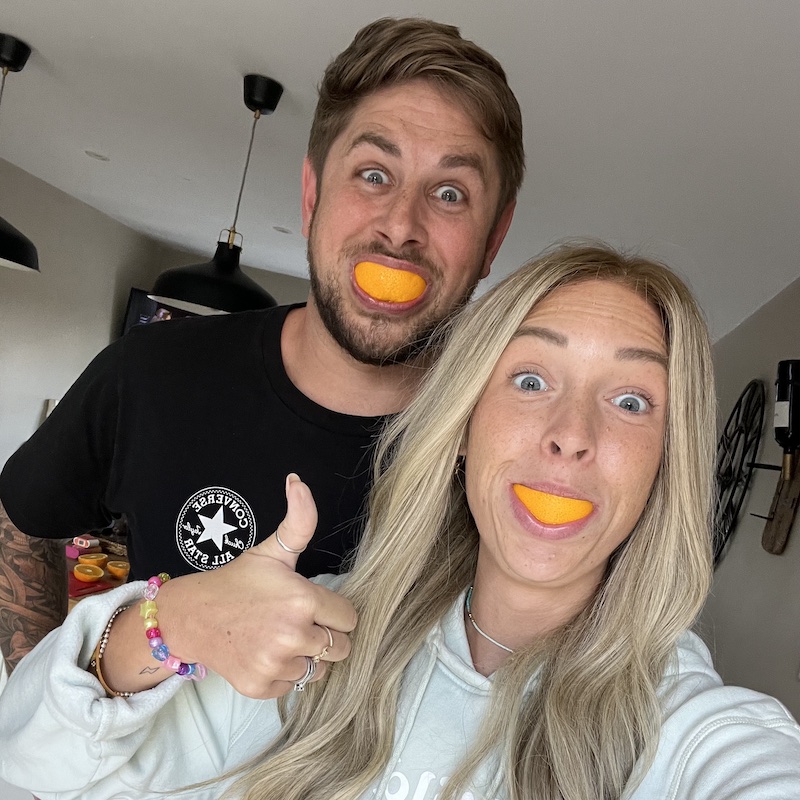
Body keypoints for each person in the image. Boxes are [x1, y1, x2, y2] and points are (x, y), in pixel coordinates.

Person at [2, 243, 799, 800]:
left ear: (666, 464)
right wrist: (168, 621)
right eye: (529, 379)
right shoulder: (318, 631)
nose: (572, 432)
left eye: (631, 401)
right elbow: (34, 764)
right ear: (463, 429)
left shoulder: (686, 723)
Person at [0, 16, 523, 674]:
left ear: (492, 242)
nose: (400, 226)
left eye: (450, 193)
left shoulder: (516, 446)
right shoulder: (151, 372)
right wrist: (50, 709)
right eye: (372, 174)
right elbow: (20, 516)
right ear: (311, 198)